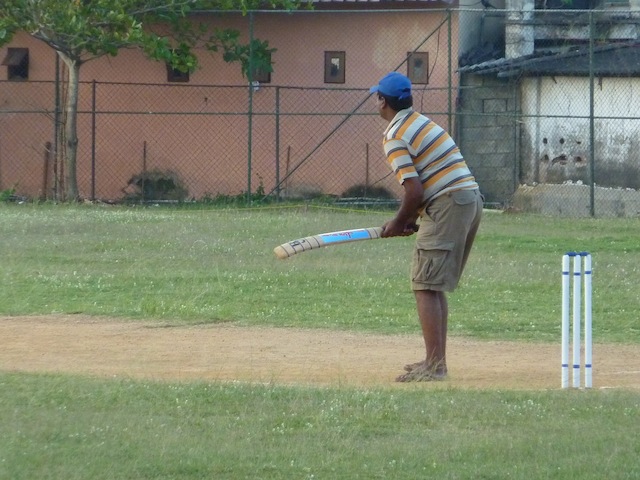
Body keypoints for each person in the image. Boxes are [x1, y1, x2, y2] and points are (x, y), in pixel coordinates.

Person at [369, 72, 483, 382]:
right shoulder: (420, 122)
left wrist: (398, 222)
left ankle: (436, 366)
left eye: (376, 97)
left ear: (382, 101)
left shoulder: (394, 135)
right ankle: (435, 361)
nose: (375, 102)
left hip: (449, 202)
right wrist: (409, 219)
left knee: (425, 284)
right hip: (466, 199)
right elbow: (427, 185)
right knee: (430, 285)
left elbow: (415, 190)